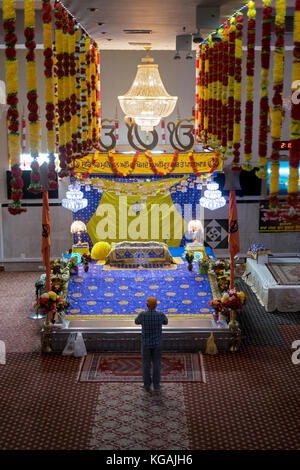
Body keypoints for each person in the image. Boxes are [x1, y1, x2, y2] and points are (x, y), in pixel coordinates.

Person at [135, 297, 168, 392]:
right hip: (157, 343)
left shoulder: (143, 315)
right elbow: (166, 322)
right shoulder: (160, 314)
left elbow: (136, 321)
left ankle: (146, 385)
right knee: (157, 364)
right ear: (156, 305)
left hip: (146, 343)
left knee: (146, 364)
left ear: (147, 305)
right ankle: (156, 385)